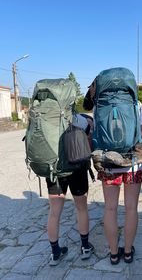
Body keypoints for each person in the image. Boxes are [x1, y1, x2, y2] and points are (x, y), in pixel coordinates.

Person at [83, 81, 142, 264]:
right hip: (133, 163)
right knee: (131, 208)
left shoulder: (99, 105)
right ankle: (127, 252)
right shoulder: (137, 103)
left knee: (110, 208)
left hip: (108, 163)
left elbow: (97, 133)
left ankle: (113, 254)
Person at [47, 113, 94, 266]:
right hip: (76, 168)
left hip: (54, 170)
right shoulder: (75, 117)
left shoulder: (45, 115)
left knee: (54, 212)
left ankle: (55, 253)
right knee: (81, 208)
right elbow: (89, 130)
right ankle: (85, 247)